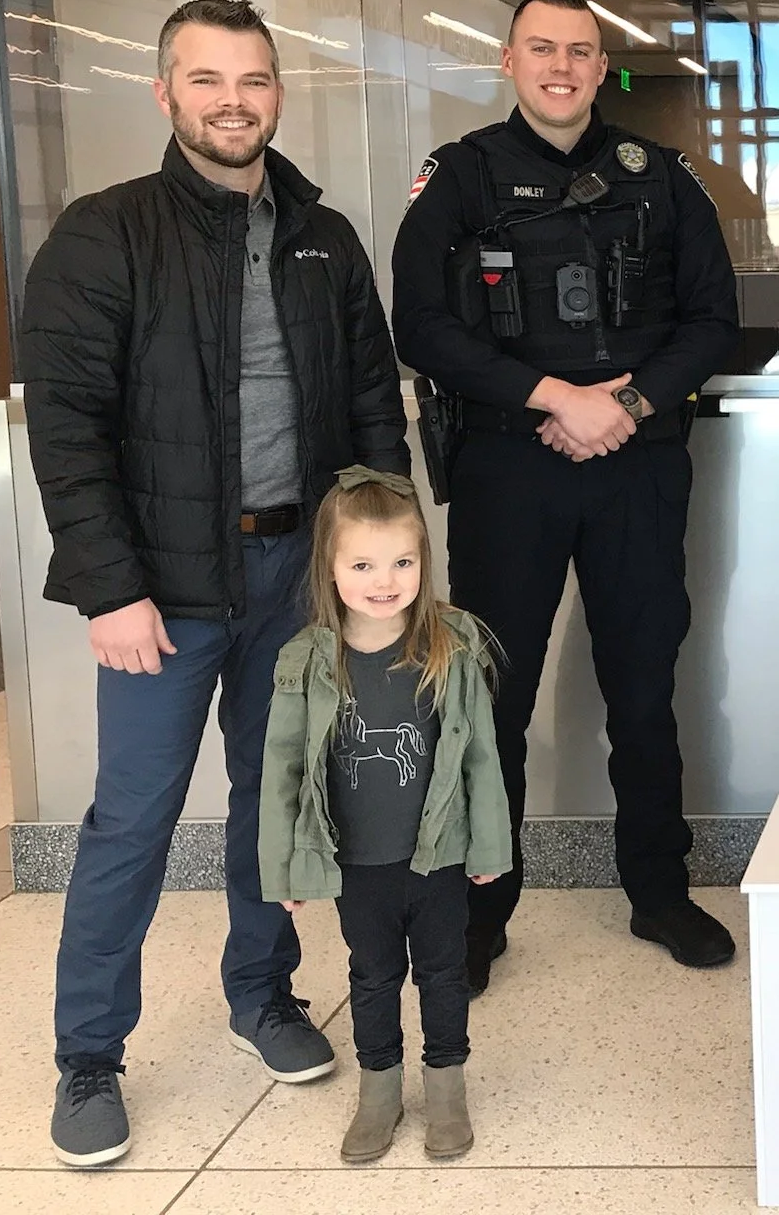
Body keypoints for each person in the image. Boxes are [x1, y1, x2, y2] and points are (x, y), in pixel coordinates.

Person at [21, 0, 410, 1167]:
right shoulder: (104, 234)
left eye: (253, 79)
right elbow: (70, 430)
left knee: (275, 799)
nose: (233, 101)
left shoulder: (323, 236)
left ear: (278, 91)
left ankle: (262, 996)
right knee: (129, 823)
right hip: (163, 587)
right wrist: (109, 588)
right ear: (164, 93)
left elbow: (371, 408)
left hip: (299, 574)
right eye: (206, 80)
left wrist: (373, 571)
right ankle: (88, 1056)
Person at [390, 0, 741, 992]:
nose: (561, 65)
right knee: (490, 695)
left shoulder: (661, 177)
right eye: (541, 48)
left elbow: (710, 321)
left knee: (643, 685)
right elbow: (421, 326)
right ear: (508, 61)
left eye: (581, 51)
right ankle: (479, 907)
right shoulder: (459, 177)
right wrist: (553, 394)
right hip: (508, 467)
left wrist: (622, 404)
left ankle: (658, 892)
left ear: (603, 67)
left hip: (635, 464)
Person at [260, 467, 512, 1162]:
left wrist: (489, 847)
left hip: (436, 857)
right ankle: (379, 1090)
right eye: (363, 563)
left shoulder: (450, 644)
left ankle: (446, 1091)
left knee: (442, 973)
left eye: (402, 561)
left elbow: (482, 756)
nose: (385, 579)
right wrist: (286, 865)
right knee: (371, 977)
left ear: (423, 560)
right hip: (357, 866)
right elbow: (282, 772)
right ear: (331, 568)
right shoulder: (306, 661)